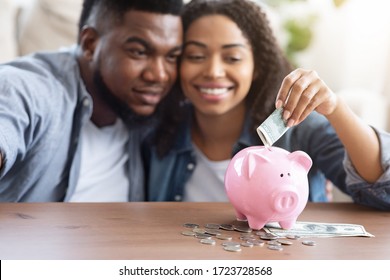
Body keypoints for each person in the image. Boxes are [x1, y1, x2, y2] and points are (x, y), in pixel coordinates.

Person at [143, 0, 390, 210]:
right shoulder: (158, 128)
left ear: (257, 67)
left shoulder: (297, 128)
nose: (214, 71)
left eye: (233, 58)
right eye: (196, 56)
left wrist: (336, 108)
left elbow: (383, 191)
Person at [0, 0, 183, 202]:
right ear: (90, 44)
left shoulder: (150, 107)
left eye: (172, 56)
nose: (159, 75)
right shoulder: (29, 88)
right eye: (139, 52)